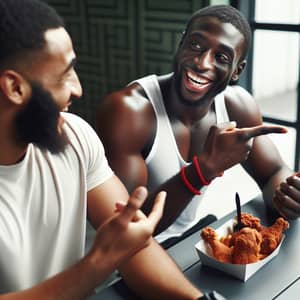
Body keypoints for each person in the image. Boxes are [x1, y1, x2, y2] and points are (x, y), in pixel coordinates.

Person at [0, 0, 213, 299]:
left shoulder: (74, 134)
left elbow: (134, 248)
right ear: (15, 87)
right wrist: (99, 262)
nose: (78, 89)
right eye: (65, 75)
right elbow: (112, 255)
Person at [96, 4, 300, 246]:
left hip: (188, 239)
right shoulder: (128, 111)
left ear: (237, 71)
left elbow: (274, 172)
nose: (202, 63)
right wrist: (203, 170)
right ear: (181, 43)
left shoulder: (238, 106)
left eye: (221, 57)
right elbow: (128, 226)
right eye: (195, 45)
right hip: (134, 254)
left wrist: (288, 195)